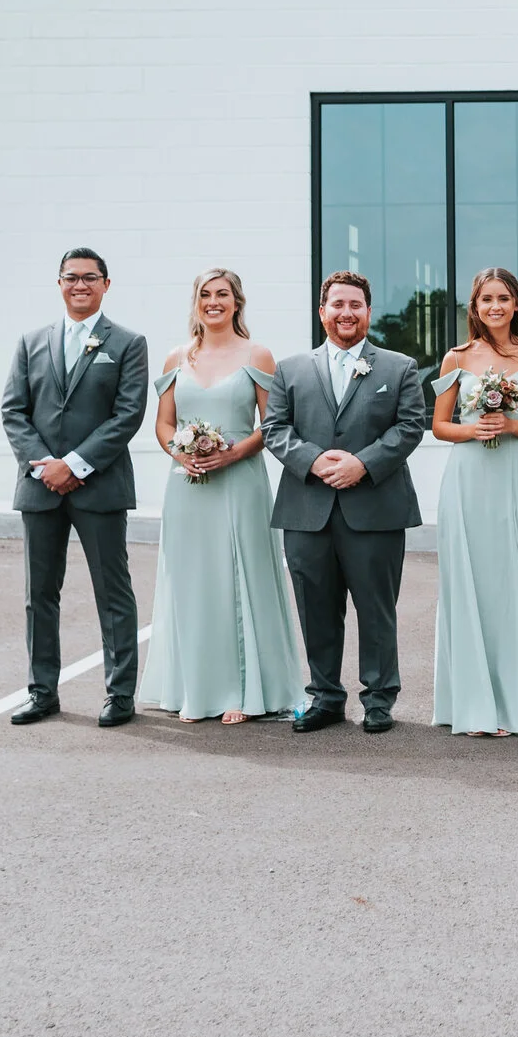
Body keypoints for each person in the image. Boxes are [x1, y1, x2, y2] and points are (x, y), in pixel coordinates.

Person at [263, 271, 429, 734]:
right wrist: (315, 461)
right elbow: (275, 429)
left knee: (376, 608)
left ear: (368, 312)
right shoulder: (290, 369)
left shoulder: (399, 367)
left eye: (355, 304)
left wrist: (362, 463)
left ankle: (378, 698)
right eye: (337, 304)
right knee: (315, 607)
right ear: (323, 312)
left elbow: (410, 426)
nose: (346, 313)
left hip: (374, 507)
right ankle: (325, 697)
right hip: (306, 509)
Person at [139, 268, 302, 724]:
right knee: (193, 583)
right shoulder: (177, 357)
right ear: (196, 302)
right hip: (188, 485)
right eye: (205, 295)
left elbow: (271, 425)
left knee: (239, 577)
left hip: (240, 479)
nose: (214, 302)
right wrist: (181, 453)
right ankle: (196, 690)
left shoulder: (258, 354)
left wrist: (231, 455)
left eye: (222, 294)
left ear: (237, 303)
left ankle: (241, 692)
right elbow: (164, 423)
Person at [0, 247, 149, 728]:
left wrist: (76, 465)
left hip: (99, 486)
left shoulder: (127, 342)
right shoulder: (30, 342)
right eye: (70, 277)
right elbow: (13, 412)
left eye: (90, 277)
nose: (79, 285)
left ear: (106, 284)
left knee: (112, 592)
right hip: (40, 486)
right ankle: (42, 692)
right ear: (59, 283)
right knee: (39, 594)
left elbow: (127, 415)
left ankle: (119, 694)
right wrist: (45, 467)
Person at [429, 268, 518, 738]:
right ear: (475, 306)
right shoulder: (457, 357)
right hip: (468, 477)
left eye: (503, 298)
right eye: (486, 298)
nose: (495, 306)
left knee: (516, 578)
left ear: (516, 305)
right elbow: (440, 426)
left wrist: (510, 426)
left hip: (513, 474)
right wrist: (474, 430)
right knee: (471, 580)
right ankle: (473, 705)